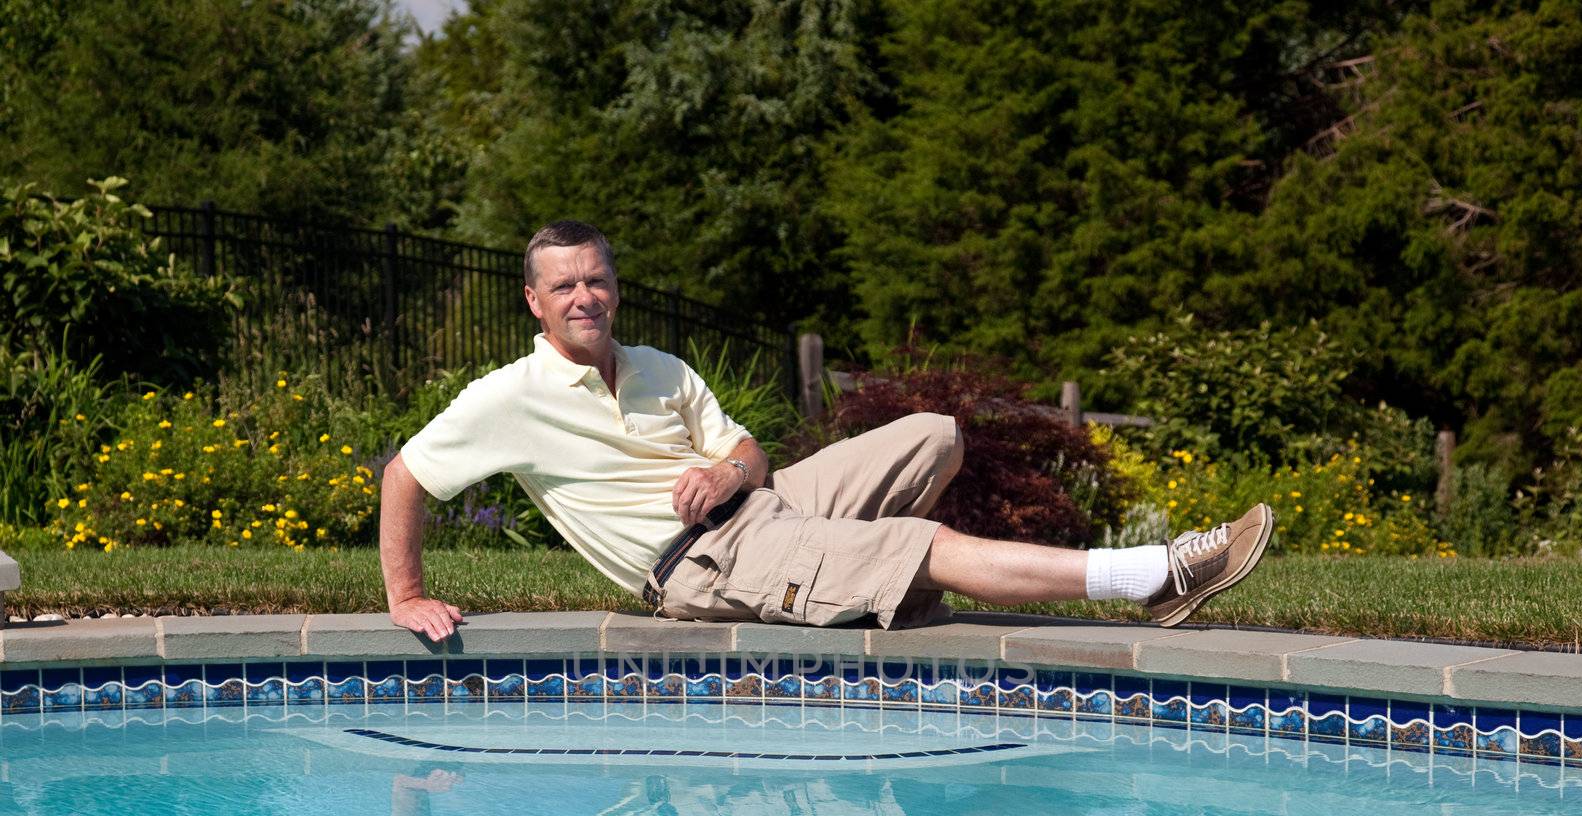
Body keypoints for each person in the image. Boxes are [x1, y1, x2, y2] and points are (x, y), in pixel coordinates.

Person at [380, 220, 1274, 642]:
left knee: (933, 432)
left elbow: (749, 453)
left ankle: (873, 584)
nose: (585, 297)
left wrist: (729, 477)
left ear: (616, 284)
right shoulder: (510, 396)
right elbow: (407, 474)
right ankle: (1159, 574)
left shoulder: (660, 366)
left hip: (763, 509)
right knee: (916, 539)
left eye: (597, 280)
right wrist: (405, 594)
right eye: (565, 286)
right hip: (698, 565)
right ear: (534, 301)